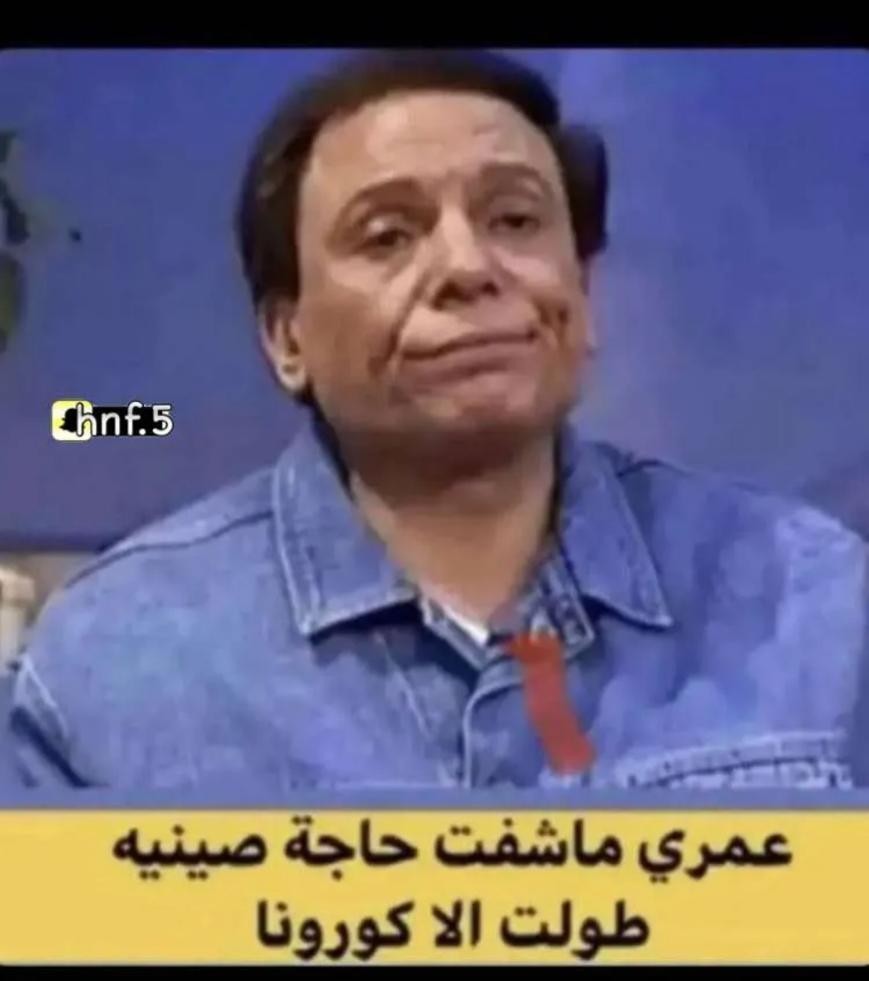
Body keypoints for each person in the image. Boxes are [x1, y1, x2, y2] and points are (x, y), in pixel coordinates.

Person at [4, 49, 867, 792]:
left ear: (581, 291)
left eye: (515, 220)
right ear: (286, 338)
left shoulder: (815, 601)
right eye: (387, 236)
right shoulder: (109, 665)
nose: (467, 266)